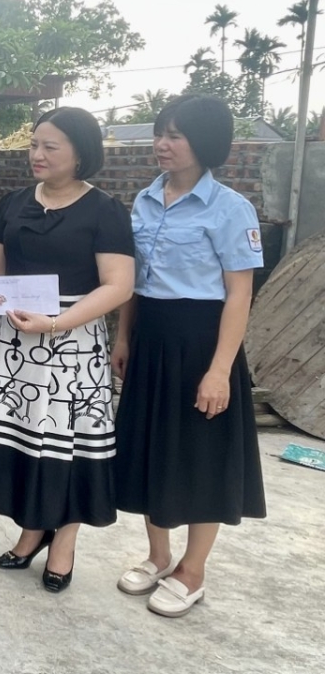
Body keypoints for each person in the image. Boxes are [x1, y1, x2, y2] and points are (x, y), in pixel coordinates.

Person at [0, 107, 135, 593]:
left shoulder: (104, 210)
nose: (37, 154)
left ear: (80, 153)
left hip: (71, 347)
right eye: (33, 145)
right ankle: (34, 529)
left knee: (68, 444)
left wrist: (56, 323)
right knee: (24, 439)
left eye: (50, 147)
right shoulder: (14, 202)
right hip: (15, 343)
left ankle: (66, 539)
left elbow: (119, 285)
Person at [111, 95, 266, 618]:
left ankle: (192, 570)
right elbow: (133, 281)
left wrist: (219, 370)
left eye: (175, 135)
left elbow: (239, 295)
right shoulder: (145, 199)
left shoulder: (230, 208)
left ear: (205, 143)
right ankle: (158, 556)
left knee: (202, 456)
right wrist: (124, 338)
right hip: (151, 339)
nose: (162, 144)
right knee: (151, 447)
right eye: (160, 133)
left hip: (202, 343)